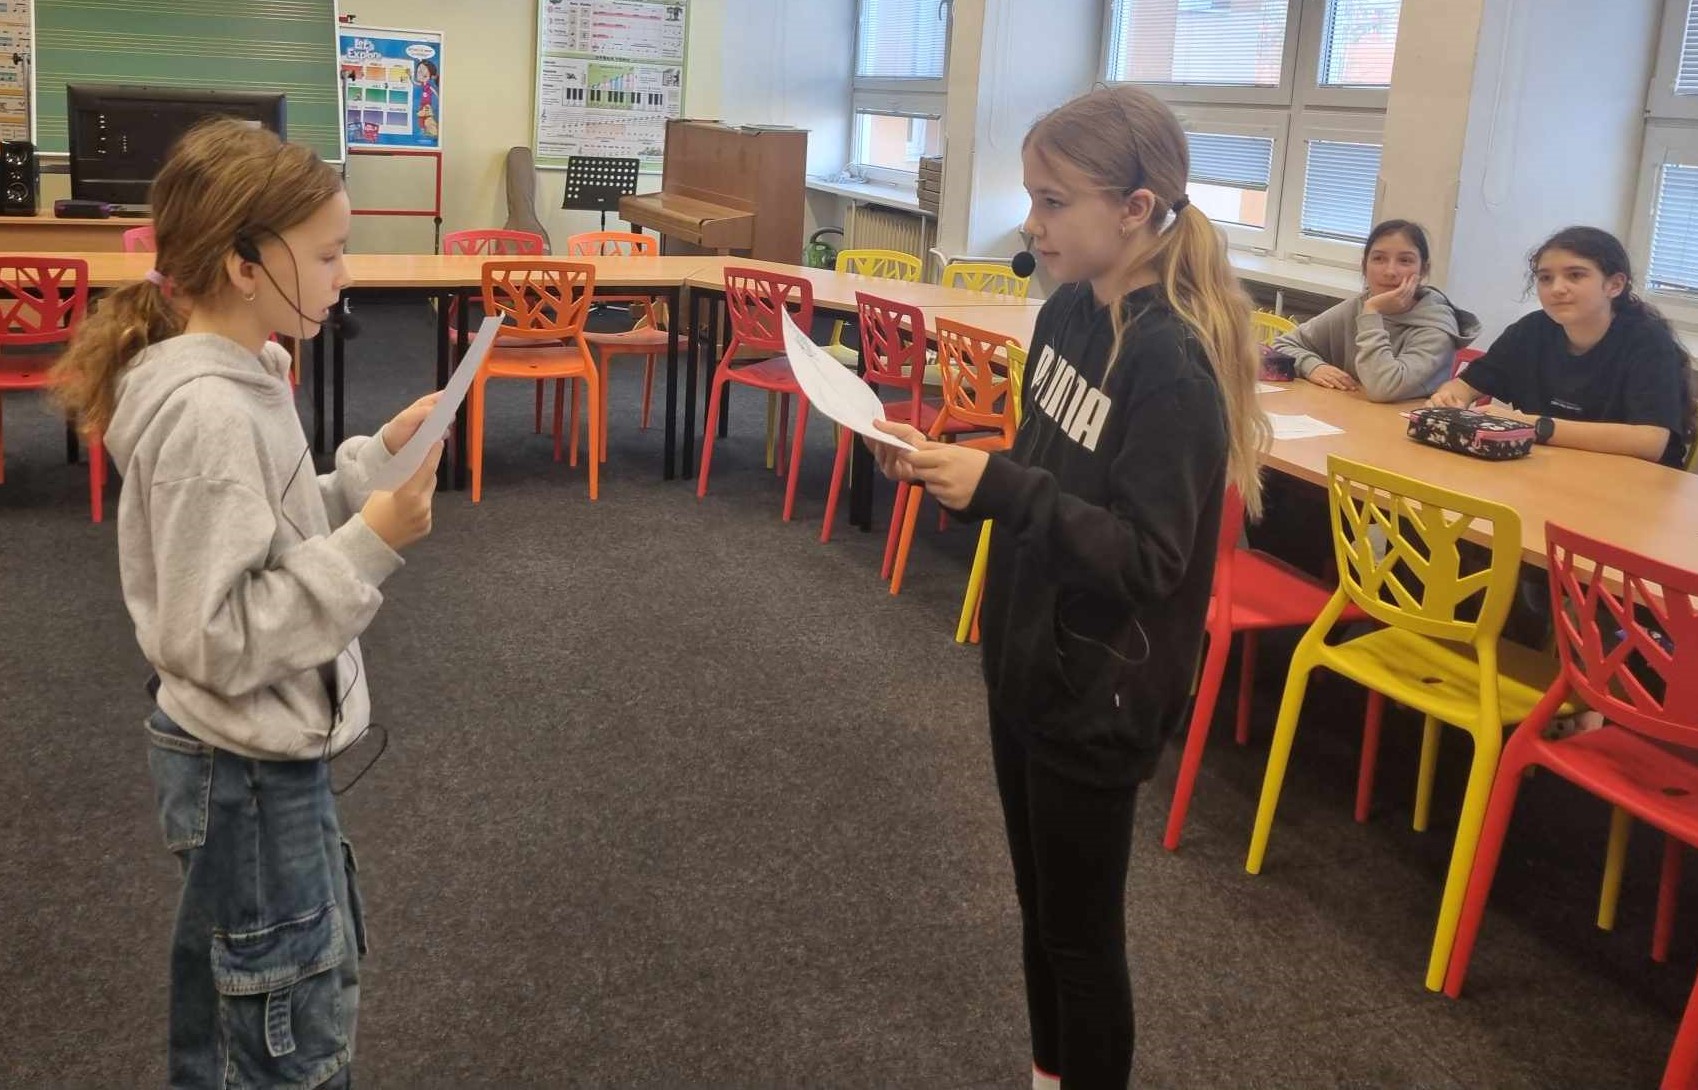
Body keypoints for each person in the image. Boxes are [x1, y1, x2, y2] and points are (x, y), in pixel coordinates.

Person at [870, 85, 1268, 1090]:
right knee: (1041, 913)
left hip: (1102, 685)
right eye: (1031, 198)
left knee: (1082, 939)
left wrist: (1001, 487)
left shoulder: (1172, 360)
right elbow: (1046, 471)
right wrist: (948, 465)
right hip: (1028, 656)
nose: (1031, 224)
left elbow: (1150, 557)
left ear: (1134, 209)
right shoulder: (1065, 314)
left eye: (1053, 202)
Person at [51, 118, 443, 1088]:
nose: (345, 274)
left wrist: (372, 471)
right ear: (244, 264)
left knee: (251, 1004)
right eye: (328, 254)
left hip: (251, 761)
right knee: (284, 1034)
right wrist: (372, 545)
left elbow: (275, 527)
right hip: (246, 768)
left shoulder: (245, 377)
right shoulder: (212, 414)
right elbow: (216, 635)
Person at [1427, 225, 1693, 467]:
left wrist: (1535, 426)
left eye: (1575, 275)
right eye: (1545, 278)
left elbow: (1650, 441)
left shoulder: (1648, 342)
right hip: (1552, 470)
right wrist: (1451, 398)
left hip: (1636, 485)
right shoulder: (1530, 330)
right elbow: (1466, 384)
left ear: (1614, 285)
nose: (1556, 289)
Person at [1271, 218, 1480, 401]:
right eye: (1379, 259)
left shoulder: (1437, 328)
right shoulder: (1356, 306)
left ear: (1423, 269)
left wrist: (1371, 313)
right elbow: (1282, 345)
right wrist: (1312, 366)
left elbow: (1383, 388)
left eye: (1405, 261)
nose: (1390, 271)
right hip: (1353, 417)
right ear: (1365, 266)